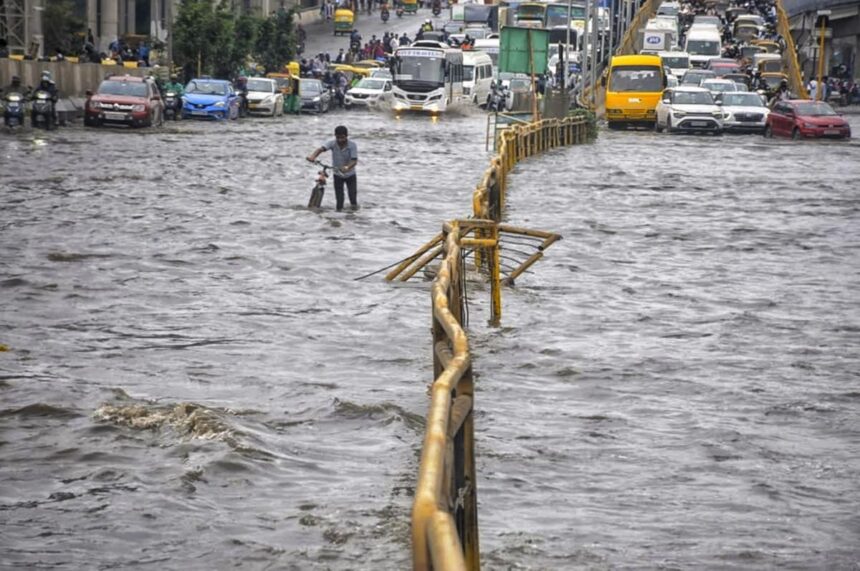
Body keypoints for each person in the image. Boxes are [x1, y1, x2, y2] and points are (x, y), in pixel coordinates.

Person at [306, 125, 359, 211]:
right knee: (339, 200)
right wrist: (313, 157)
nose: (340, 140)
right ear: (335, 136)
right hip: (337, 174)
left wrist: (347, 167)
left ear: (346, 136)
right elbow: (320, 149)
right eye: (338, 137)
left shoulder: (352, 145)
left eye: (342, 138)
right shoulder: (332, 143)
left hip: (350, 175)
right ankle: (339, 218)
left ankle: (353, 217)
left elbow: (354, 161)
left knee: (352, 198)